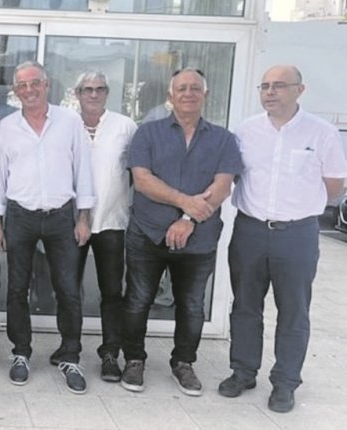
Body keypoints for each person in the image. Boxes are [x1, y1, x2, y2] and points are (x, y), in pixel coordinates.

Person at [219, 65, 347, 412]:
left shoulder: (321, 133)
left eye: (278, 86)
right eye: (265, 86)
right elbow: (231, 177)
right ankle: (243, 371)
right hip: (250, 230)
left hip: (297, 234)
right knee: (245, 305)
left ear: (299, 90)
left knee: (293, 311)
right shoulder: (245, 131)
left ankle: (285, 383)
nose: (270, 92)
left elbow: (334, 185)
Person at [120, 67, 242, 397]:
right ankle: (133, 359)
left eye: (195, 88)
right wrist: (185, 200)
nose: (188, 93)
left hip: (199, 238)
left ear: (205, 95)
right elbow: (142, 181)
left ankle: (183, 363)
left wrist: (188, 217)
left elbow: (222, 186)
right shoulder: (148, 133)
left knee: (191, 305)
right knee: (137, 300)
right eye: (181, 88)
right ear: (171, 96)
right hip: (147, 233)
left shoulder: (223, 139)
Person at [0, 61, 95, 393]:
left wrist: (84, 217)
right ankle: (20, 353)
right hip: (20, 215)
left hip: (62, 216)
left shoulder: (69, 122)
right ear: (16, 91)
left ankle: (70, 355)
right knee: (17, 288)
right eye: (22, 85)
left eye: (34, 83)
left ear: (46, 85)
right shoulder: (7, 127)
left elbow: (83, 169)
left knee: (67, 289)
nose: (29, 90)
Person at [73, 71, 137, 382]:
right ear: (78, 94)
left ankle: (111, 352)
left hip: (112, 221)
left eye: (99, 89)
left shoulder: (125, 126)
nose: (93, 94)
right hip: (72, 223)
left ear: (107, 92)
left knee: (112, 291)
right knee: (69, 290)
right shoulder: (67, 125)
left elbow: (140, 173)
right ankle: (68, 348)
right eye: (87, 89)